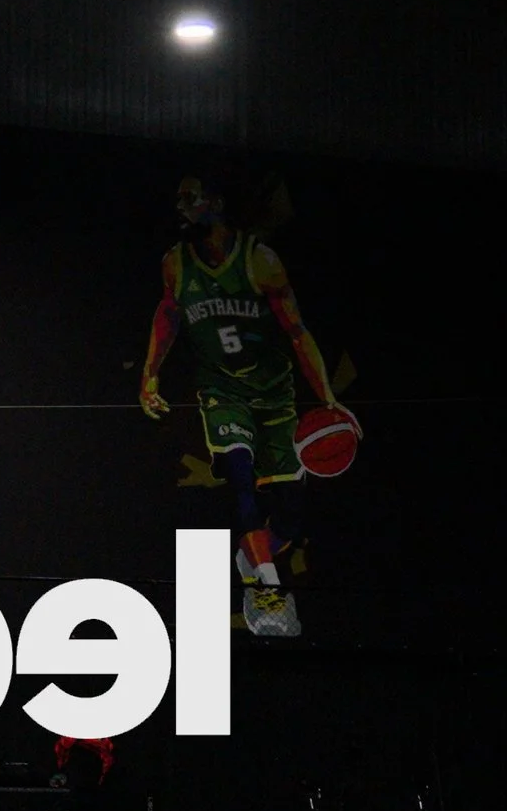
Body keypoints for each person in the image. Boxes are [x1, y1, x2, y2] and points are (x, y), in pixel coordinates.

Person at [138, 173, 356, 637]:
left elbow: (297, 332)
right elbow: (168, 314)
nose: (181, 206)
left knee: (292, 515)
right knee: (241, 480)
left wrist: (328, 398)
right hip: (223, 393)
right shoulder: (176, 264)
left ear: (216, 203)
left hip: (274, 394)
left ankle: (255, 554)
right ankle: (267, 585)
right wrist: (150, 374)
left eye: (190, 198)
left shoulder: (260, 262)